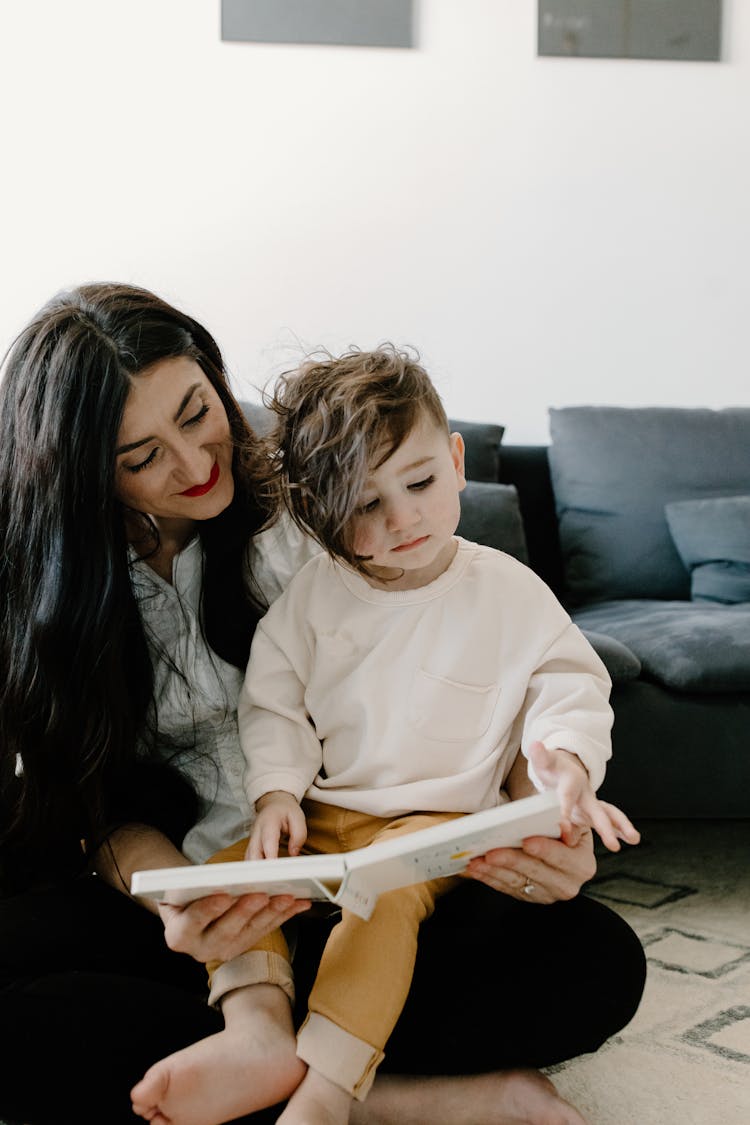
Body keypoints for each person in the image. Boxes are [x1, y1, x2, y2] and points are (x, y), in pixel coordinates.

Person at [0, 286, 645, 1125]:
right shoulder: (60, 587)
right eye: (141, 457)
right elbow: (94, 804)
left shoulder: (331, 502)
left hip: (385, 873)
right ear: (86, 473)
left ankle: (310, 1072)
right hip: (209, 893)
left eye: (199, 413)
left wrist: (536, 816)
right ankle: (396, 1095)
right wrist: (184, 904)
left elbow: (504, 679)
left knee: (596, 963)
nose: (196, 464)